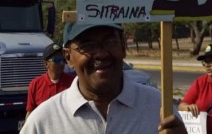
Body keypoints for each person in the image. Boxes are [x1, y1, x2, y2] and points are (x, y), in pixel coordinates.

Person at [21, 22, 185, 134]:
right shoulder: (43, 122)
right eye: (88, 45)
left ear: (123, 47)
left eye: (110, 41)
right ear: (68, 57)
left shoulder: (159, 107)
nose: (101, 53)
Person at [25, 43, 75, 117]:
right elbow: (30, 113)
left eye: (63, 60)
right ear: (46, 64)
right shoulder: (35, 84)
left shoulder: (73, 83)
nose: (61, 63)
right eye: (57, 60)